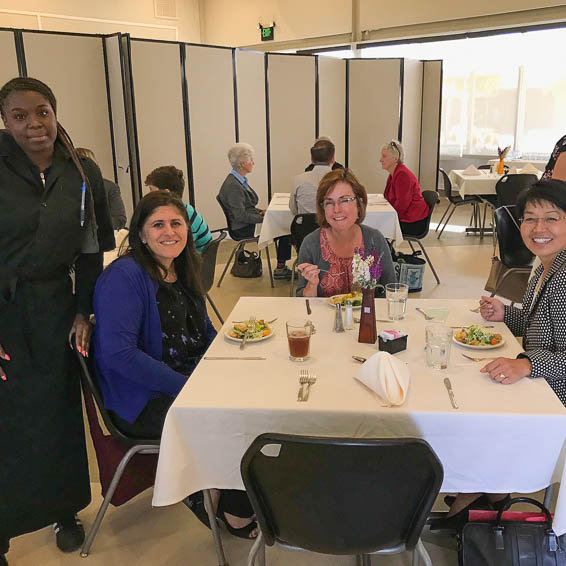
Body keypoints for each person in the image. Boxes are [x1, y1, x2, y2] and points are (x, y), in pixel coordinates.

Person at [93, 191, 258, 539]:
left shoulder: (181, 268)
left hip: (189, 378)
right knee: (234, 417)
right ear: (140, 233)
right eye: (157, 225)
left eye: (175, 223)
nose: (169, 232)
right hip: (144, 397)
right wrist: (189, 387)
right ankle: (230, 507)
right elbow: (119, 355)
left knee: (256, 394)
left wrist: (231, 359)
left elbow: (205, 330)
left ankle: (229, 489)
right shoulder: (124, 277)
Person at [0, 77, 115, 564]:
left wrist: (83, 310)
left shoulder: (81, 170)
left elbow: (91, 251)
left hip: (57, 310)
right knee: (9, 425)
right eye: (19, 116)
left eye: (41, 112)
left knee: (59, 415)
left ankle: (65, 510)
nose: (33, 125)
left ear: (55, 111)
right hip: (4, 310)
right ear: (5, 120)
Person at [432, 178, 566, 532]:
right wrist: (506, 314)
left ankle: (482, 498)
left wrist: (527, 364)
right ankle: (485, 494)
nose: (539, 229)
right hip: (544, 379)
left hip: (557, 400)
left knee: (476, 411)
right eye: (530, 218)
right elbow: (543, 320)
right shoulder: (547, 263)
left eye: (552, 218)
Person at [296, 168, 396, 297]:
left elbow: (391, 290)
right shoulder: (311, 243)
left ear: (359, 204)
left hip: (368, 316)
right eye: (329, 202)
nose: (336, 209)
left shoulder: (374, 239)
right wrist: (312, 285)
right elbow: (302, 303)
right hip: (324, 317)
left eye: (344, 200)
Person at [218, 142, 292, 280]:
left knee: (282, 224)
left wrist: (261, 212)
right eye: (251, 160)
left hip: (246, 223)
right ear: (243, 163)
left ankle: (282, 266)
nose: (253, 162)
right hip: (243, 228)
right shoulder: (234, 186)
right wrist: (265, 218)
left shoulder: (237, 180)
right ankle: (281, 268)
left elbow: (246, 207)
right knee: (285, 228)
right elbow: (240, 215)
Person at [144, 165, 212, 253]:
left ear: (165, 193)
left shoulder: (183, 215)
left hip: (194, 261)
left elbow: (178, 248)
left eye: (151, 190)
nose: (149, 195)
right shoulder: (181, 208)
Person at [380, 140, 429, 237]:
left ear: (395, 158)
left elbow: (402, 204)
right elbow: (387, 197)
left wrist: (387, 219)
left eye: (384, 156)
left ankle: (385, 252)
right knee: (376, 226)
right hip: (406, 217)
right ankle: (388, 252)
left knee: (376, 228)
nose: (380, 159)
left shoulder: (402, 175)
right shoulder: (394, 174)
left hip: (414, 222)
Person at [76, 147, 127, 230]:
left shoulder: (109, 188)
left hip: (103, 236)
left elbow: (120, 220)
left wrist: (94, 224)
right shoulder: (67, 189)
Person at [290, 139, 334, 215]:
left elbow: (293, 209)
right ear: (333, 159)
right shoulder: (341, 181)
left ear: (312, 160)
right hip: (332, 225)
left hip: (305, 226)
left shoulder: (299, 180)